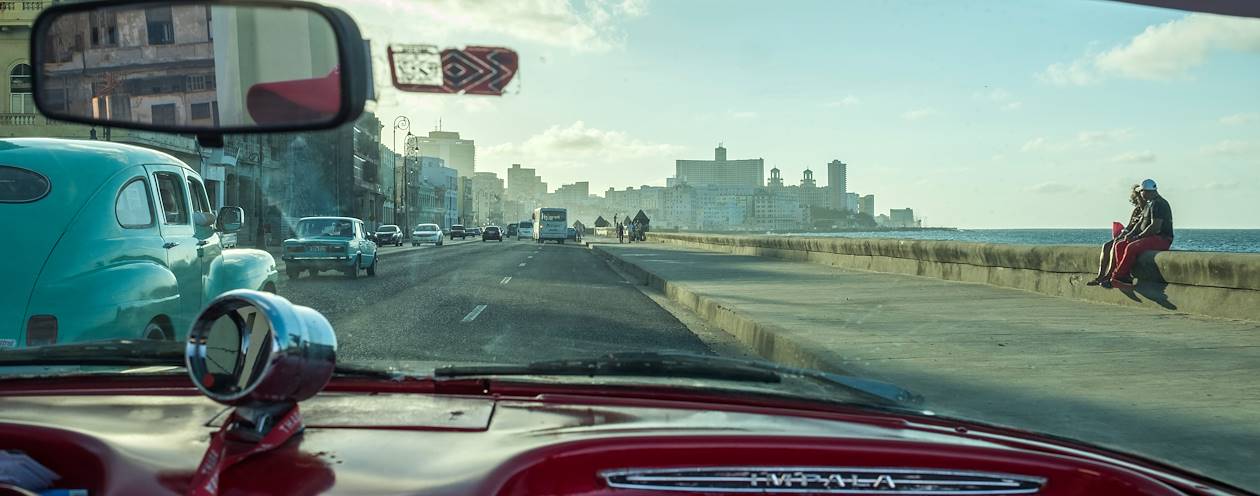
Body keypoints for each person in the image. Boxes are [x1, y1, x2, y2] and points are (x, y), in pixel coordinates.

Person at [1105, 179, 1174, 289]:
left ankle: (1118, 276)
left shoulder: (1159, 204)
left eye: (1142, 191)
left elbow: (1155, 227)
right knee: (1120, 245)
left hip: (1162, 238)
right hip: (1151, 237)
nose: (1141, 194)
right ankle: (1125, 276)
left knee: (1132, 247)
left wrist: (1138, 237)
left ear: (1147, 191)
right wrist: (1131, 235)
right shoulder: (1149, 204)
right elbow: (1140, 224)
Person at [1088, 185, 1144, 286]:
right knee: (1107, 245)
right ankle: (1100, 276)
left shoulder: (1147, 210)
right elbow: (1129, 226)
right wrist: (1122, 234)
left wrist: (1127, 236)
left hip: (1137, 237)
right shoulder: (1136, 211)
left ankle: (1109, 274)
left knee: (1116, 245)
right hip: (1128, 235)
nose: (1138, 201)